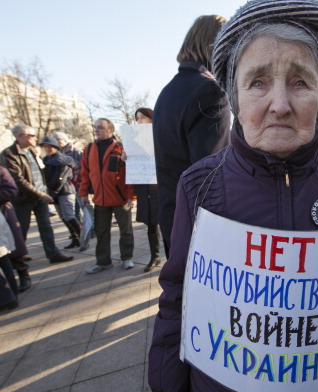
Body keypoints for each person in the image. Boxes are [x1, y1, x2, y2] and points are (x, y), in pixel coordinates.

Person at [148, 0, 318, 392]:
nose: (280, 104)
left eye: (300, 81)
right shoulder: (198, 186)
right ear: (234, 96)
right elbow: (176, 307)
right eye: (257, 82)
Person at [153, 14, 231, 257]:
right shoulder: (210, 90)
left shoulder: (168, 91)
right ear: (218, 46)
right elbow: (211, 174)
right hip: (200, 227)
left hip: (171, 217)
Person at [0, 124, 73, 264]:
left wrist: (43, 191)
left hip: (40, 196)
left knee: (45, 225)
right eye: (31, 135)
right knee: (21, 228)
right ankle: (18, 258)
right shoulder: (9, 154)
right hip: (23, 198)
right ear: (20, 136)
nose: (35, 138)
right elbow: (18, 179)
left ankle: (53, 253)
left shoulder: (32, 151)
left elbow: (40, 172)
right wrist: (40, 194)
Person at [79, 118, 136, 274]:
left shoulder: (121, 149)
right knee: (101, 231)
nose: (96, 130)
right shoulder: (89, 149)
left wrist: (132, 196)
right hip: (100, 200)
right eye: (95, 127)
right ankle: (103, 261)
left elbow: (129, 174)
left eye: (101, 127)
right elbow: (84, 173)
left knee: (126, 231)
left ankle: (127, 258)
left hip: (120, 198)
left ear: (110, 130)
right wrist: (83, 192)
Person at [40, 135, 81, 250]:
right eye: (46, 147)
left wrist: (54, 192)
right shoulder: (46, 160)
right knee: (63, 216)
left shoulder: (62, 159)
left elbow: (61, 178)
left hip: (65, 190)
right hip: (54, 192)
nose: (48, 149)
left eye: (50, 146)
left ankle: (82, 237)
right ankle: (75, 238)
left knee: (69, 216)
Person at [134, 108, 161, 272]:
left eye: (143, 117)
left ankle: (174, 256)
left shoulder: (161, 135)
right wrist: (127, 157)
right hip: (144, 185)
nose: (139, 121)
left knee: (166, 220)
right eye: (137, 118)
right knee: (150, 222)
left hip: (160, 184)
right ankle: (155, 255)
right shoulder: (134, 140)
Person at [0, 165, 30, 293]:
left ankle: (23, 274)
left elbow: (11, 190)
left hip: (3, 213)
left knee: (12, 249)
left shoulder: (1, 170)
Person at [52, 131, 84, 222]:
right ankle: (79, 229)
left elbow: (84, 166)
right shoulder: (58, 152)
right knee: (73, 208)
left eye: (58, 139)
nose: (57, 142)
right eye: (55, 140)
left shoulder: (75, 151)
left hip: (77, 182)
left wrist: (78, 179)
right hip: (67, 184)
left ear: (65, 139)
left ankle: (90, 228)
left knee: (81, 205)